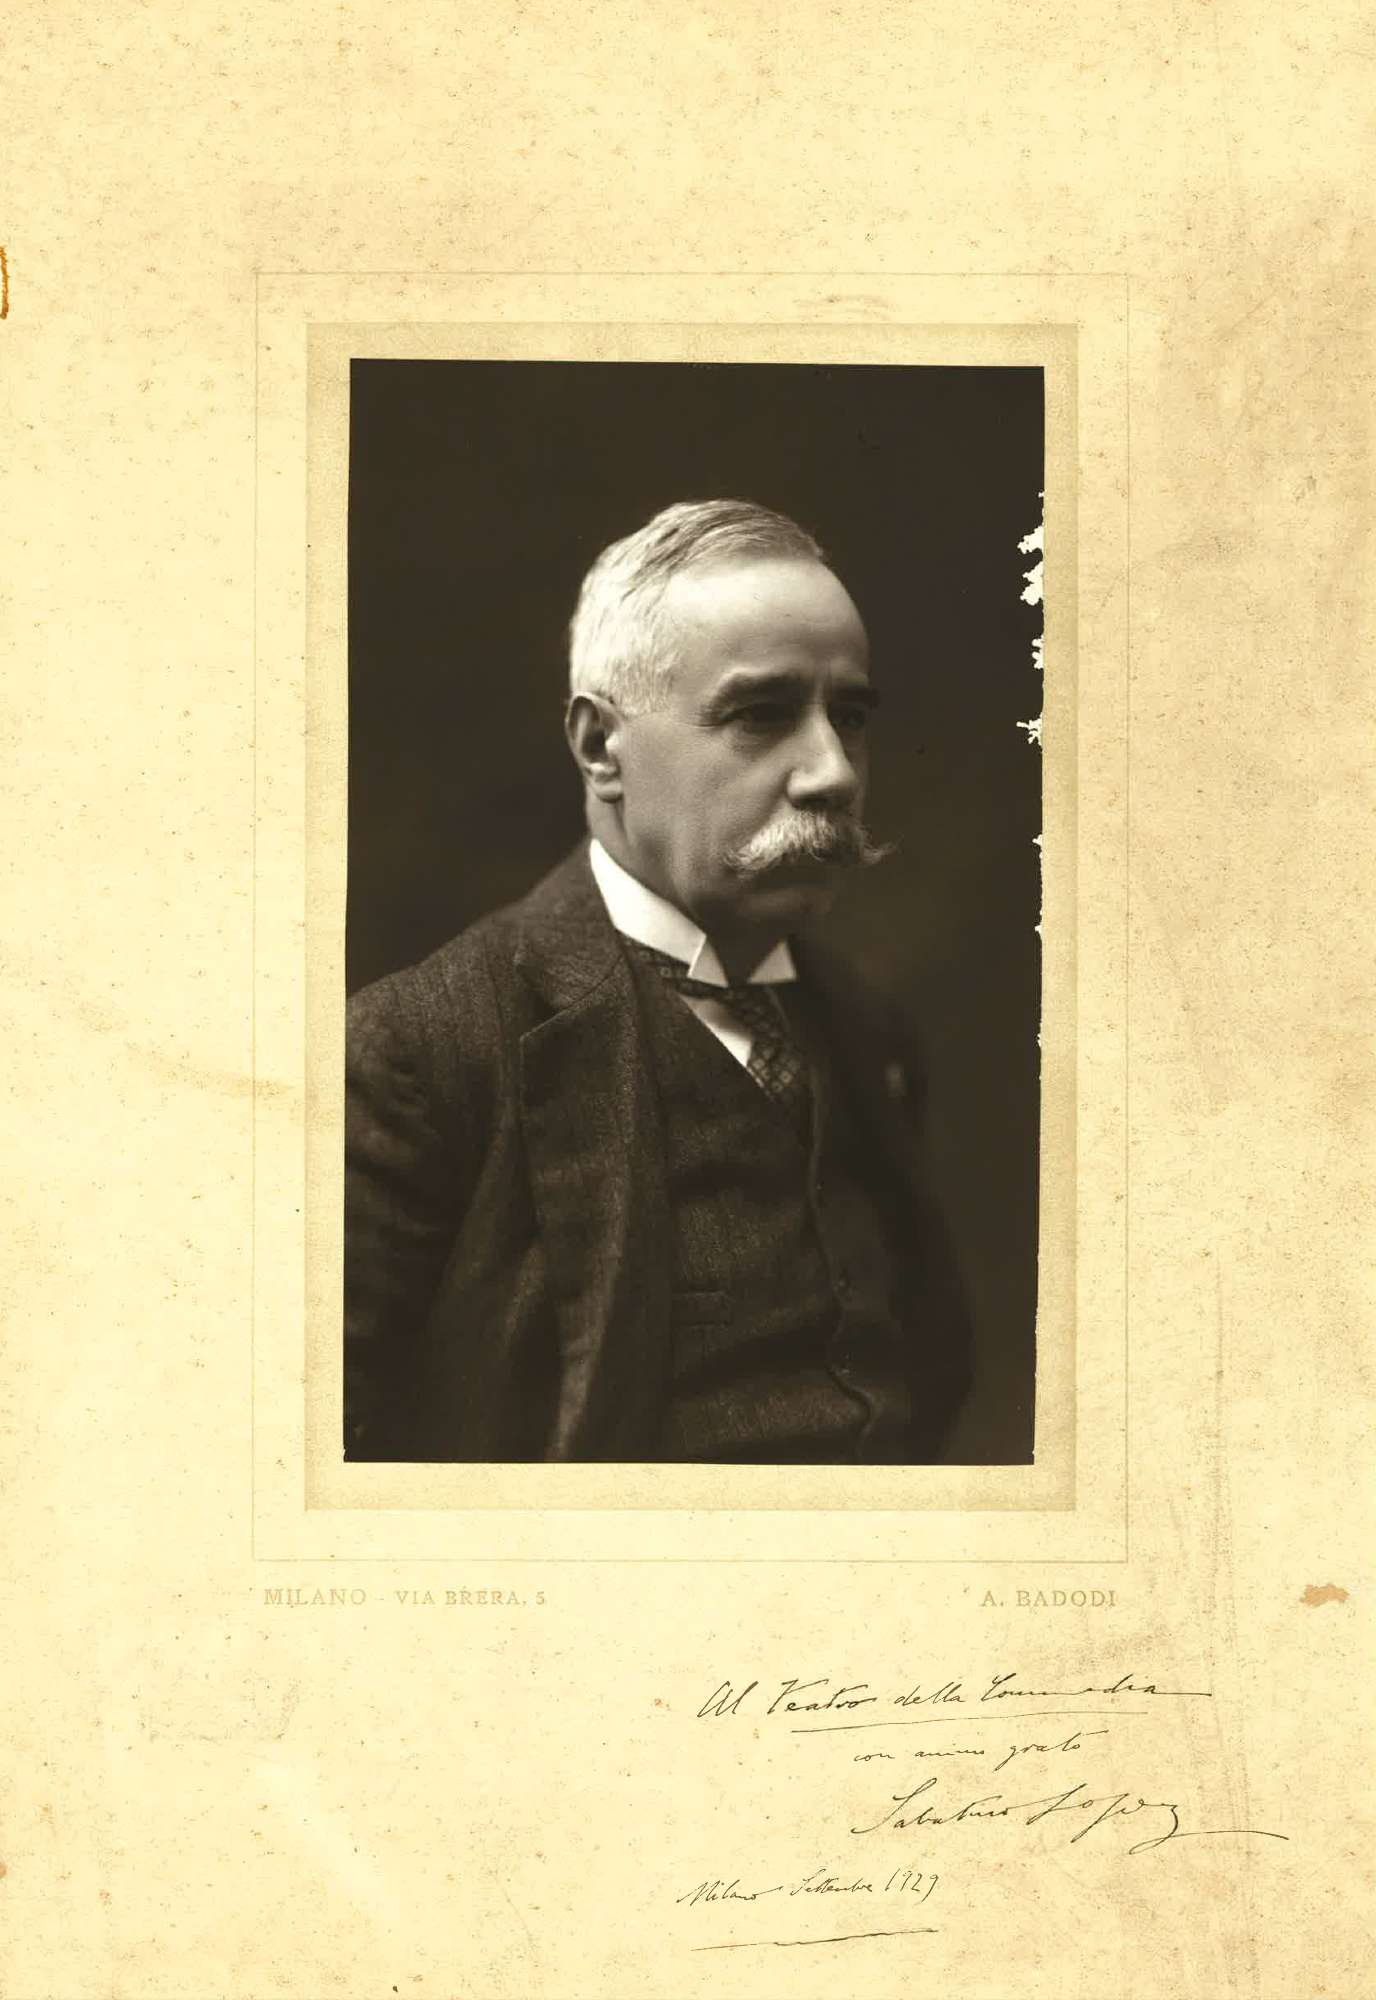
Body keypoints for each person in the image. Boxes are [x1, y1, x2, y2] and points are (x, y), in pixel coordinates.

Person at [344, 499, 971, 1463]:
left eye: (849, 718)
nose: (834, 774)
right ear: (601, 748)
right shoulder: (424, 1053)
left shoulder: (866, 1031)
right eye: (761, 715)